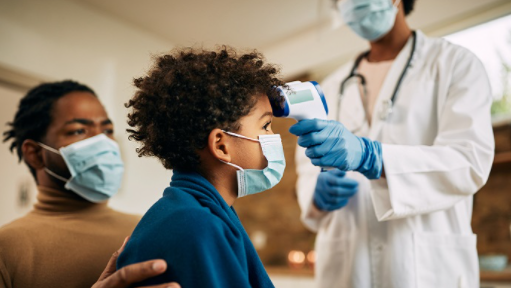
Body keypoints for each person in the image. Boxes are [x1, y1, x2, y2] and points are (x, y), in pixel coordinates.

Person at [290, 0, 495, 287]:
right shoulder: (333, 85)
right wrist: (315, 195)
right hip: (348, 266)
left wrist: (372, 157)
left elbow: (469, 162)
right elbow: (308, 170)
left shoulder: (455, 64)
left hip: (425, 266)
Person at [116, 47, 285, 287]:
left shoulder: (198, 210)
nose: (273, 136)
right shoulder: (193, 223)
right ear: (221, 146)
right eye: (266, 125)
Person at [0, 80, 142, 288]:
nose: (102, 142)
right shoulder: (7, 248)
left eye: (107, 130)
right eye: (78, 131)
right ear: (35, 154)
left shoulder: (143, 228)